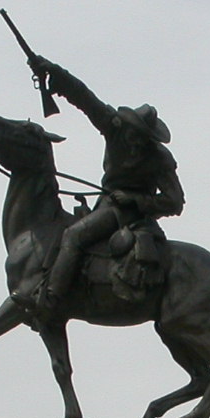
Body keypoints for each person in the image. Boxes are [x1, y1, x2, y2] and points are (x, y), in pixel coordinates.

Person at [26, 56, 184, 317]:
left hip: (131, 214)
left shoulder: (160, 159)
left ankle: (51, 299)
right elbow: (85, 98)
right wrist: (53, 71)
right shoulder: (114, 129)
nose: (136, 141)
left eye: (142, 137)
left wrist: (135, 201)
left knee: (74, 236)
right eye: (134, 133)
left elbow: (175, 202)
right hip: (106, 203)